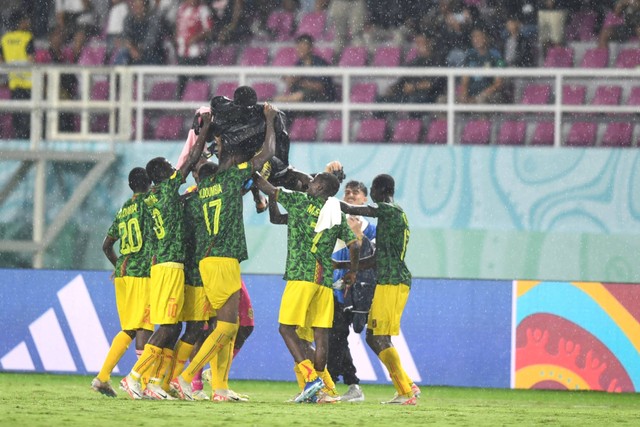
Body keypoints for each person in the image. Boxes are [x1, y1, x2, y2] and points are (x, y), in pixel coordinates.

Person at [169, 104, 277, 402]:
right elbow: (265, 155)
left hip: (208, 261)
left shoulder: (198, 193)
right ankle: (186, 377)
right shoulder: (229, 182)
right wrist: (268, 121)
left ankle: (219, 388)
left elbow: (193, 160)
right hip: (223, 259)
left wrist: (206, 132)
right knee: (228, 325)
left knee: (227, 328)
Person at [118, 111, 211, 400]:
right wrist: (203, 130)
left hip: (163, 266)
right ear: (164, 175)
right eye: (171, 167)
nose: (175, 168)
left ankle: (157, 381)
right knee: (169, 326)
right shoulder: (170, 188)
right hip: (169, 267)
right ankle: (134, 376)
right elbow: (193, 158)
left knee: (174, 327)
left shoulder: (151, 198)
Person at [254, 170, 361, 404]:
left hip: (301, 276)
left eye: (314, 182)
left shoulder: (300, 201)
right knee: (321, 337)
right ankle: (324, 391)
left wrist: (251, 168)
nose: (310, 184)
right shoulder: (336, 214)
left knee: (285, 329)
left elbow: (268, 188)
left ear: (320, 189)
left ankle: (312, 380)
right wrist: (352, 271)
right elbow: (354, 244)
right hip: (323, 283)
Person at [338, 174, 418, 405]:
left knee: (378, 337)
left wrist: (331, 202)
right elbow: (373, 260)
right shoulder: (394, 216)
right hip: (389, 280)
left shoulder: (389, 211)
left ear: (381, 190)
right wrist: (343, 266)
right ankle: (406, 386)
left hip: (392, 282)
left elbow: (364, 211)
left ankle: (406, 392)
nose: (371, 193)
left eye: (372, 188)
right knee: (376, 337)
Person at [92, 167, 154, 397]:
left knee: (129, 328)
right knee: (146, 326)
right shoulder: (150, 203)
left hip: (123, 273)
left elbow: (106, 246)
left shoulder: (123, 209)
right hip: (142, 272)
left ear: (130, 186)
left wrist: (119, 265)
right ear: (149, 182)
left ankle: (103, 377)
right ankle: (143, 383)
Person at [328, 180, 376, 402]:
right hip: (336, 291)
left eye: (355, 193)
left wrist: (359, 236)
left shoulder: (372, 229)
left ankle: (332, 382)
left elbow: (373, 261)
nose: (350, 195)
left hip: (360, 295)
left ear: (365, 199)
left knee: (339, 335)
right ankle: (349, 384)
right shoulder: (335, 224)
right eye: (346, 192)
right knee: (336, 335)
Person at [377, 33, 445, 106]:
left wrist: (414, 87)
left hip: (428, 96)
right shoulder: (414, 62)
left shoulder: (437, 60)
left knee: (416, 100)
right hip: (409, 95)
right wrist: (393, 88)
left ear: (429, 43)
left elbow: (433, 83)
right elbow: (403, 81)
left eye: (421, 42)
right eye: (417, 43)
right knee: (381, 100)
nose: (418, 45)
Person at [0, 10, 33, 139]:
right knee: (29, 119)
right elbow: (31, 60)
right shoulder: (27, 37)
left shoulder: (5, 39)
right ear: (20, 23)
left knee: (17, 119)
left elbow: (1, 61)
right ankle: (28, 148)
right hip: (29, 85)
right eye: (25, 19)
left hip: (14, 85)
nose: (28, 22)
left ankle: (19, 142)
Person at [274, 34, 336, 103]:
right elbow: (292, 82)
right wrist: (290, 80)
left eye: (303, 46)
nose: (300, 49)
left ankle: (277, 101)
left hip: (320, 98)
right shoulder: (298, 64)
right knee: (295, 97)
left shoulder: (320, 63)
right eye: (298, 46)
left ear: (310, 48)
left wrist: (300, 82)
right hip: (304, 97)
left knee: (300, 96)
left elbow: (320, 87)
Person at [458, 27, 507, 105]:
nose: (476, 39)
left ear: (486, 38)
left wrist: (479, 97)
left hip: (489, 95)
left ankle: (483, 117)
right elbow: (464, 81)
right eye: (474, 37)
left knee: (482, 101)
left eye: (479, 36)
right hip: (471, 95)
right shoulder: (469, 56)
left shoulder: (496, 56)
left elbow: (498, 83)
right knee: (443, 100)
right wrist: (464, 96)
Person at [174, 0, 213, 97]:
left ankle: (200, 104)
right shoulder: (181, 8)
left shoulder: (203, 9)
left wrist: (196, 38)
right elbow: (177, 26)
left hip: (197, 53)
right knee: (182, 81)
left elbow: (208, 30)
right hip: (182, 53)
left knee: (198, 81)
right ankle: (180, 106)